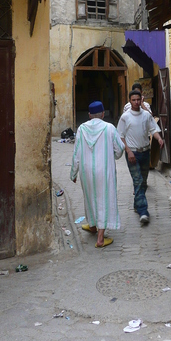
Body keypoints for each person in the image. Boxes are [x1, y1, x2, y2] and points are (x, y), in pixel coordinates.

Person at [70, 101, 125, 248]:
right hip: (104, 171)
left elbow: (76, 153)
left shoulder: (82, 128)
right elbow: (120, 149)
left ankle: (93, 225)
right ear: (102, 114)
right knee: (104, 200)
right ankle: (100, 238)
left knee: (90, 197)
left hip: (86, 170)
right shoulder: (109, 128)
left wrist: (73, 173)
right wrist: (112, 154)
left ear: (89, 115)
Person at [117, 90, 164, 225]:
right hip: (132, 154)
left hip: (145, 152)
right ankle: (143, 211)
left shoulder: (146, 116)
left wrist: (159, 139)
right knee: (137, 181)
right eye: (134, 100)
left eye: (138, 100)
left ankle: (137, 204)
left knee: (143, 182)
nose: (136, 102)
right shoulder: (125, 117)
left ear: (141, 100)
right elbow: (120, 136)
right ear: (130, 101)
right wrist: (128, 151)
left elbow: (153, 129)